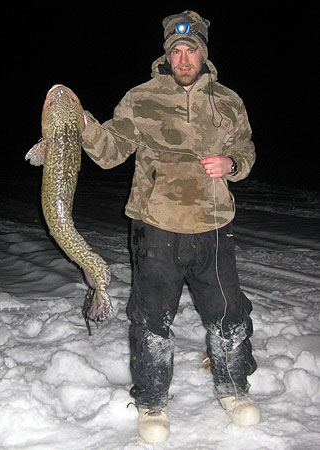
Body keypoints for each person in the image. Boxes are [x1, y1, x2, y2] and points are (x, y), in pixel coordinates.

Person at [81, 10, 260, 444]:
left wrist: (232, 163)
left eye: (191, 50)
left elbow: (245, 149)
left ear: (203, 54)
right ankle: (152, 401)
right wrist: (83, 126)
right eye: (176, 51)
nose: (183, 58)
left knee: (228, 312)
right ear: (167, 55)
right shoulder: (140, 99)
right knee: (151, 318)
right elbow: (109, 152)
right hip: (155, 224)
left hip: (214, 223)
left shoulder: (229, 101)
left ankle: (234, 390)